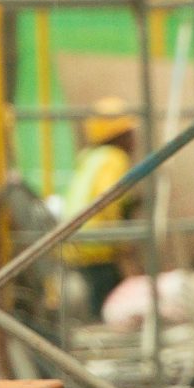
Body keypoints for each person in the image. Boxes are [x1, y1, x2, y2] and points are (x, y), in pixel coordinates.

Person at [62, 97, 139, 316]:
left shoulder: (88, 157)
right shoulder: (115, 158)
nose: (134, 140)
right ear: (117, 136)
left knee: (98, 298)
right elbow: (108, 199)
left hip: (78, 242)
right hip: (98, 243)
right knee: (109, 302)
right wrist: (121, 240)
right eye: (129, 133)